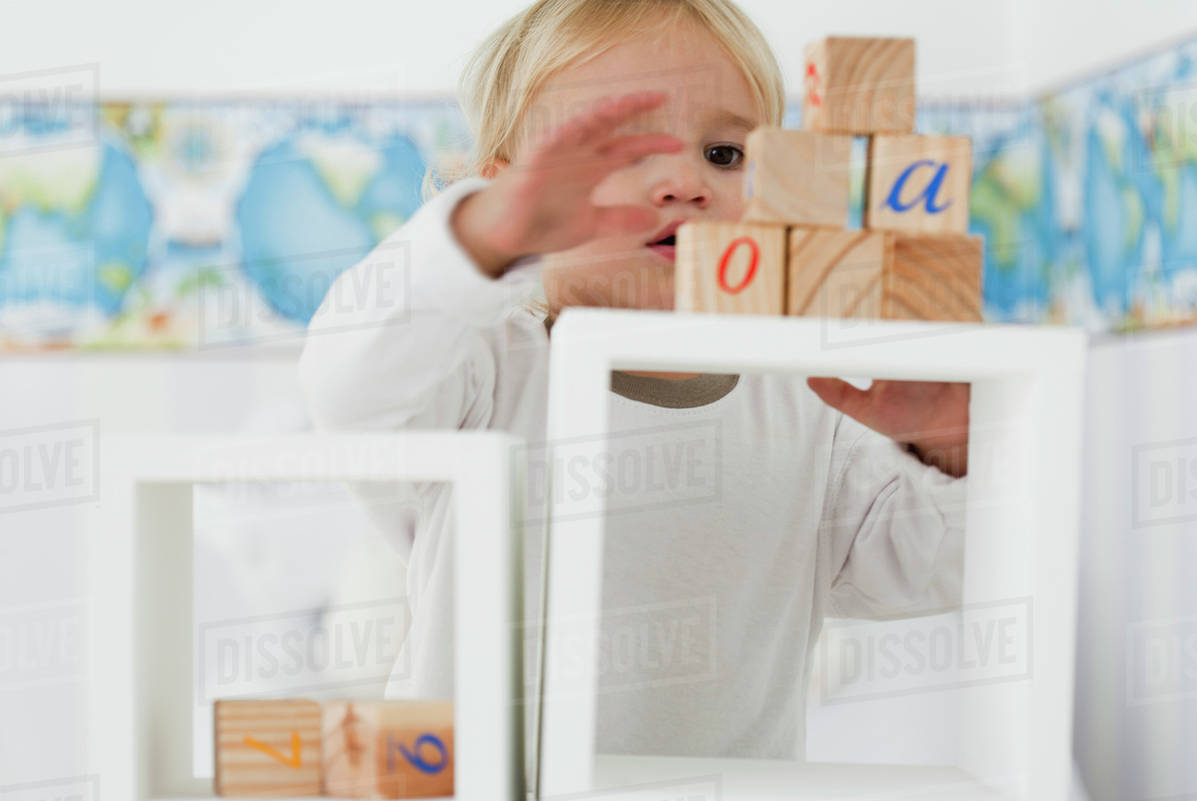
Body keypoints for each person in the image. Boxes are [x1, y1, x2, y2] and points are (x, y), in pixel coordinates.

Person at [299, 0, 968, 763]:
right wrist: (482, 235)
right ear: (512, 200)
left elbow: (935, 567)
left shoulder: (812, 400)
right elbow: (350, 384)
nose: (685, 181)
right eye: (619, 152)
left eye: (725, 154)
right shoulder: (483, 373)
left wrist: (949, 446)